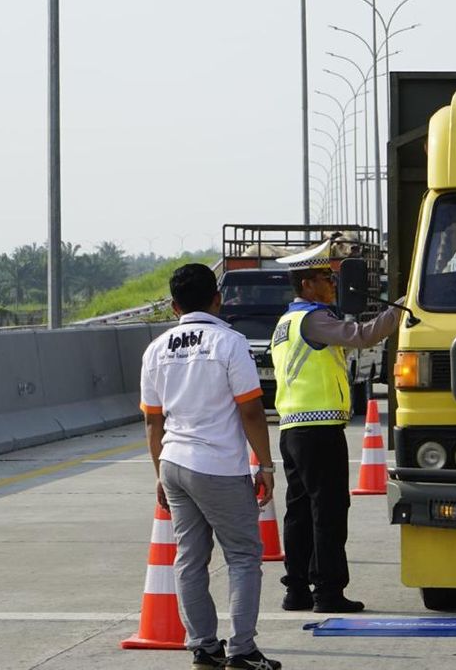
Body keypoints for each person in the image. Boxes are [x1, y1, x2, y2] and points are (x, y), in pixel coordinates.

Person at [140, 264, 281, 670]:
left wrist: (158, 475)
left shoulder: (156, 349)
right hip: (217, 465)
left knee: (189, 557)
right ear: (217, 299)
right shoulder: (229, 342)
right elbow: (251, 410)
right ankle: (243, 650)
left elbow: (153, 420)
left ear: (173, 306)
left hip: (173, 463)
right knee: (242, 556)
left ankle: (203, 646)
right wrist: (266, 467)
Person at [273, 239, 403, 613]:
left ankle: (296, 588)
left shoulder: (286, 321)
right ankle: (328, 591)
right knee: (328, 512)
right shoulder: (314, 319)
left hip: (292, 429)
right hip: (319, 428)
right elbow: (363, 336)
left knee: (298, 512)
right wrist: (402, 312)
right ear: (307, 284)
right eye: (326, 278)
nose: (333, 285)